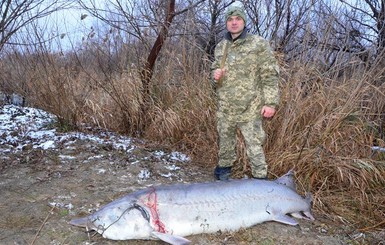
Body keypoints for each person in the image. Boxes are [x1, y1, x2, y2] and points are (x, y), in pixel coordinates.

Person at [211, 5, 280, 180]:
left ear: (244, 21)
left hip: (251, 107)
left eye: (238, 19)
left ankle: (260, 181)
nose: (234, 23)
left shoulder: (258, 44)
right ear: (226, 23)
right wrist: (214, 76)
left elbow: (270, 74)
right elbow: (214, 77)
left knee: (254, 145)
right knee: (225, 143)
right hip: (225, 107)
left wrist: (270, 103)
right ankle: (223, 176)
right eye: (230, 20)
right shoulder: (221, 47)